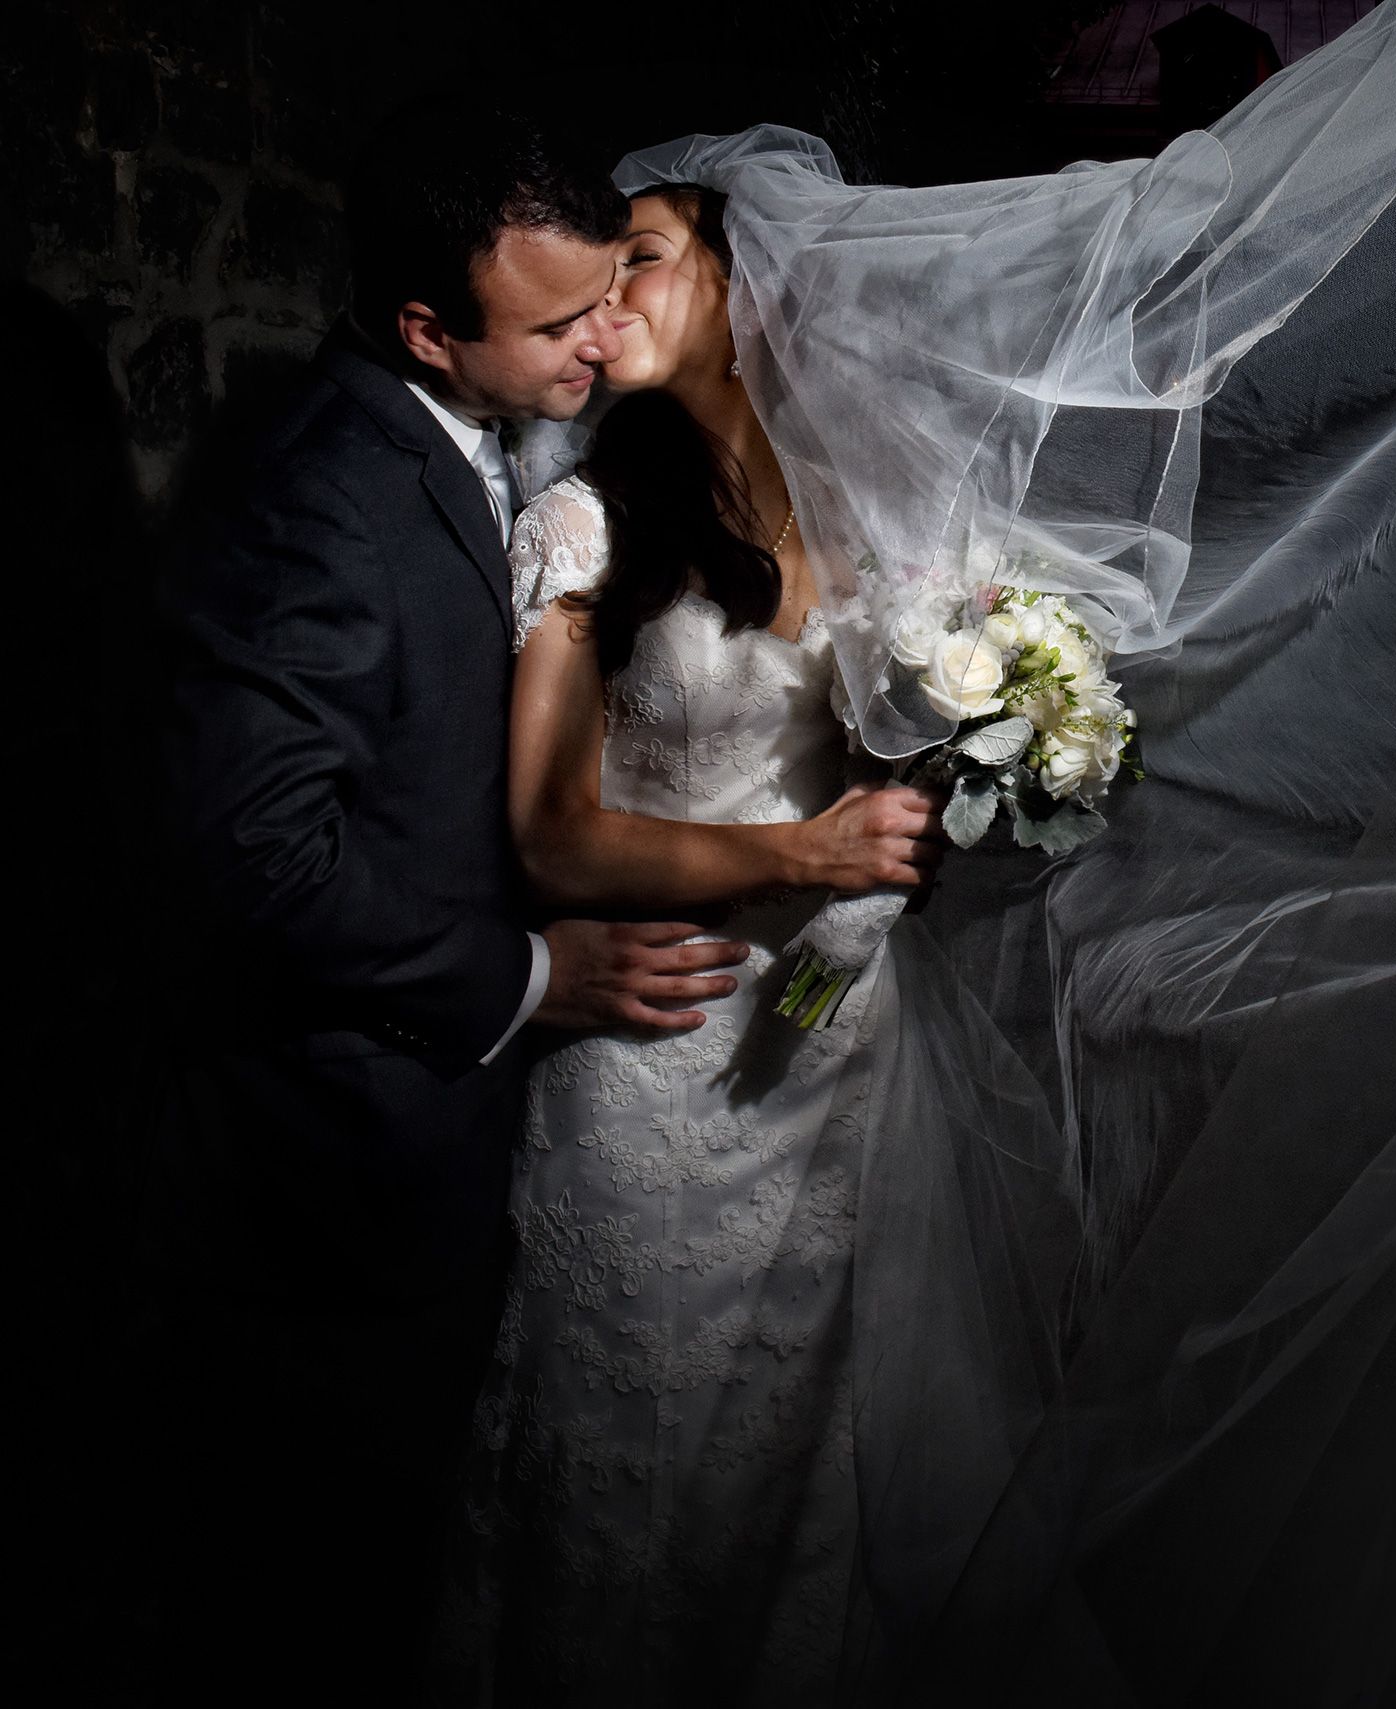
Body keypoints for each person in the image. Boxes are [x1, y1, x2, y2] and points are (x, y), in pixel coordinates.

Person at [153, 104, 761, 1692]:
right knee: (328, 1601)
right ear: (428, 325)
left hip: (446, 1146)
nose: (596, 338)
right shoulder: (320, 490)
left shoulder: (477, 443)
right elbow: (256, 856)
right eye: (556, 321)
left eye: (605, 296)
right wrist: (526, 977)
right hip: (338, 1167)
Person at [439, 184, 982, 1702]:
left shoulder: (878, 522)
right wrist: (799, 853)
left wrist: (953, 795)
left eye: (645, 261)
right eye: (593, 277)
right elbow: (550, 831)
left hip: (835, 1053)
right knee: (628, 1460)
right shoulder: (583, 523)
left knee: (793, 1476)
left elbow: (915, 756)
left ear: (758, 289)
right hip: (659, 1041)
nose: (606, 298)